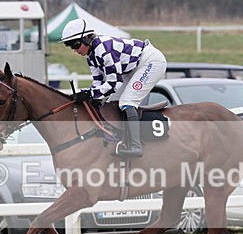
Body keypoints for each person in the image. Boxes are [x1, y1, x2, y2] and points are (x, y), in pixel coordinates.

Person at [59, 18, 166, 157]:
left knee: (127, 102)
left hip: (151, 62)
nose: (74, 50)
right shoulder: (90, 56)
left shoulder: (104, 50)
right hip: (132, 68)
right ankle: (121, 138)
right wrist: (88, 93)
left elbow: (114, 83)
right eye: (70, 46)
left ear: (87, 38)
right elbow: (98, 82)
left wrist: (91, 94)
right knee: (112, 103)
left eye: (75, 45)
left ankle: (136, 145)